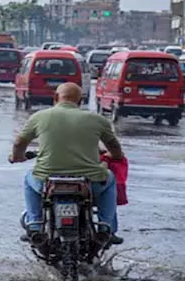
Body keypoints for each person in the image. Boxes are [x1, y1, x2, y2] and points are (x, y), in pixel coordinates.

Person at [9, 82, 125, 245]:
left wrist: (17, 157)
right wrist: (112, 155)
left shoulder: (39, 117)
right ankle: (106, 228)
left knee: (29, 178)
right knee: (110, 178)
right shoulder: (97, 119)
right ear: (80, 101)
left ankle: (34, 226)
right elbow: (115, 149)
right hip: (89, 183)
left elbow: (18, 143)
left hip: (47, 182)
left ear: (56, 97)